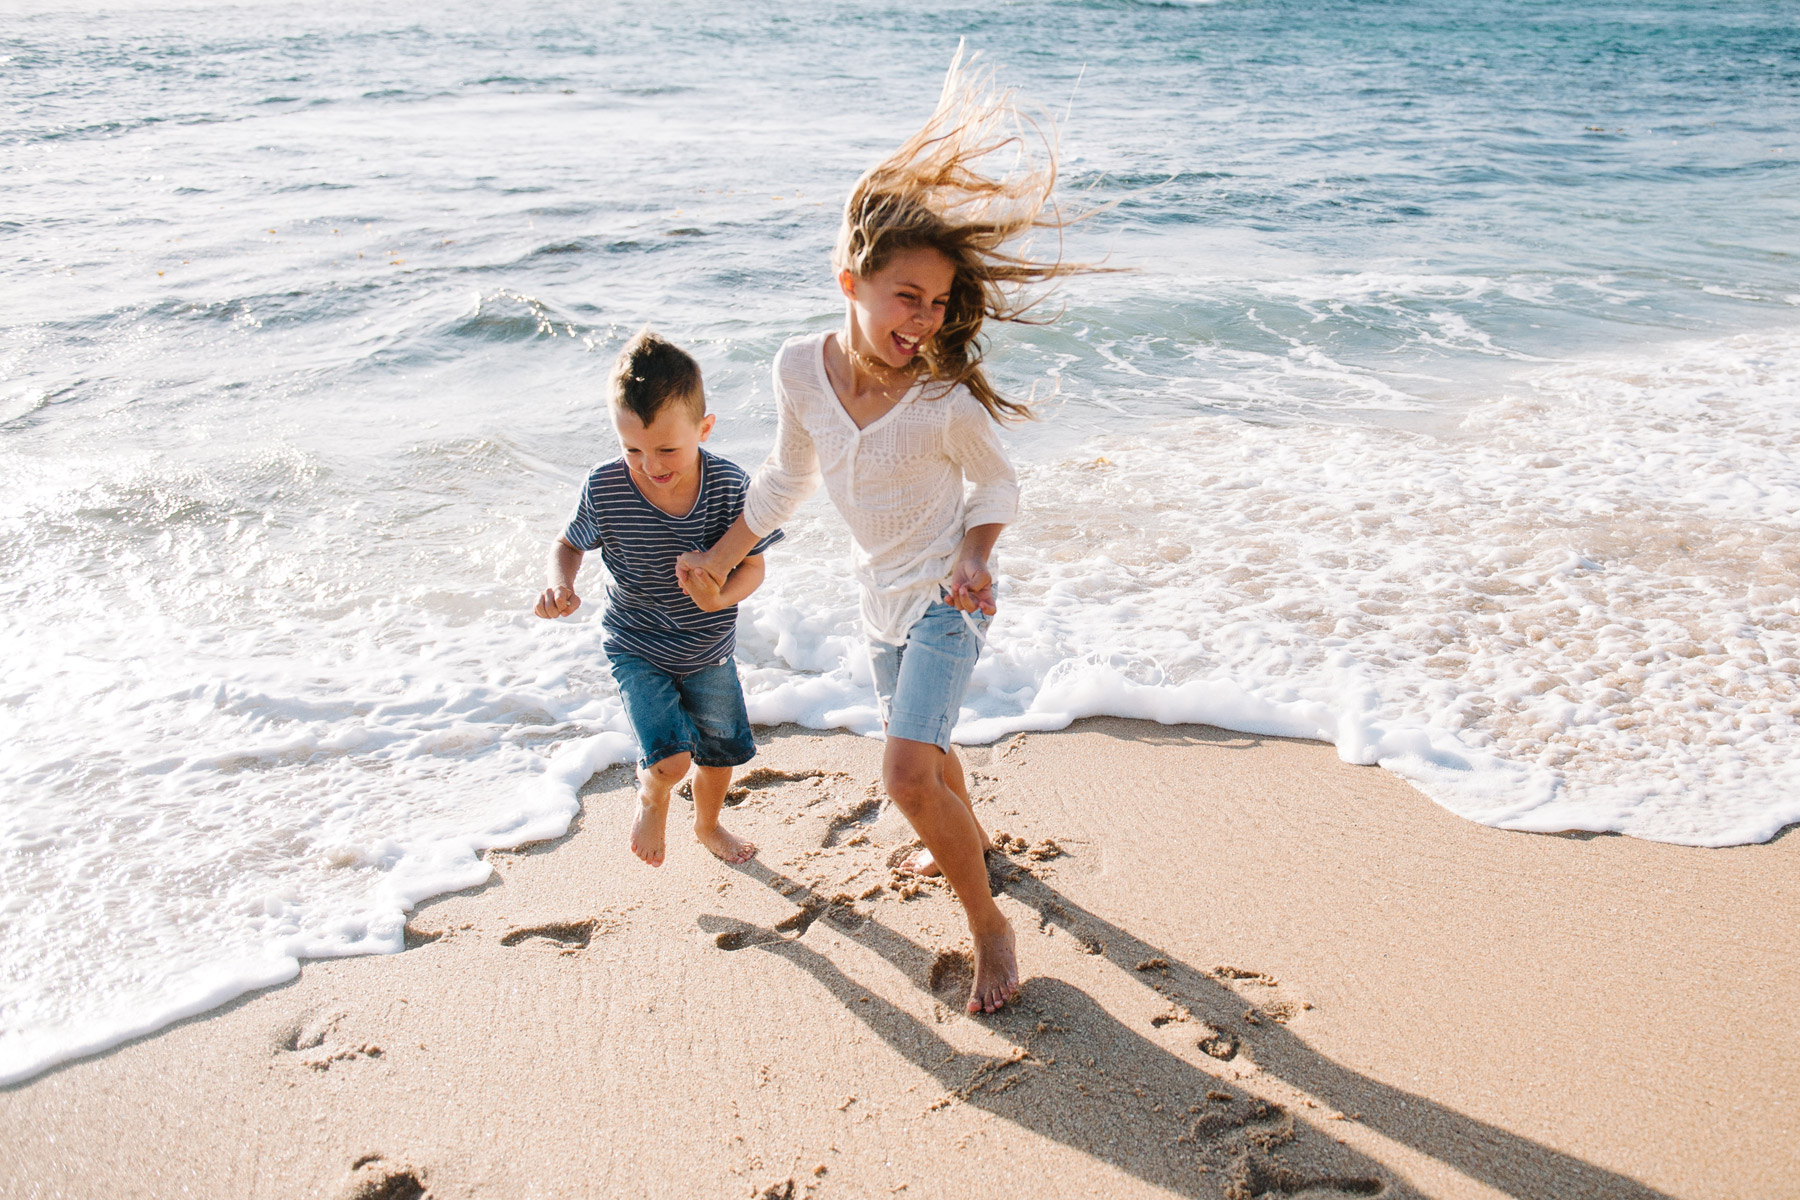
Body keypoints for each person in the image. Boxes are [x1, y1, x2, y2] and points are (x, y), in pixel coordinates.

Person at [676, 53, 1101, 1014]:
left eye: (940, 303)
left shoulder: (943, 397)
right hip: (878, 599)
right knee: (938, 759)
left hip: (949, 600)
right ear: (852, 283)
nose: (927, 318)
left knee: (906, 773)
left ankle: (989, 923)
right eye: (909, 297)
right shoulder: (798, 369)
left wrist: (975, 556)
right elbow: (787, 479)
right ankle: (977, 844)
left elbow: (996, 484)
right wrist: (719, 554)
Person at [536, 330, 782, 868]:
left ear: (705, 428)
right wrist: (562, 583)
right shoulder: (604, 487)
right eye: (633, 449)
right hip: (636, 643)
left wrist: (719, 600)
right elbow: (568, 543)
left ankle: (709, 824)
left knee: (721, 755)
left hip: (708, 647)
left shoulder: (728, 486)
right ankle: (653, 796)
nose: (650, 465)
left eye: (667, 448)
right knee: (670, 761)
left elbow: (755, 566)